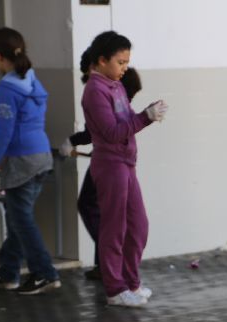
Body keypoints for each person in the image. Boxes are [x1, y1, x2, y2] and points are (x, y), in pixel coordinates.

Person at [82, 31, 167, 307]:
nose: (124, 68)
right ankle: (115, 288)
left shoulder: (116, 86)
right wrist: (145, 118)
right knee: (114, 227)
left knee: (138, 225)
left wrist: (148, 114)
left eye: (127, 62)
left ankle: (131, 282)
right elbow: (112, 132)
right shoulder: (94, 90)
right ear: (102, 60)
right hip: (110, 166)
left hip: (127, 164)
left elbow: (129, 120)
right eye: (120, 62)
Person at [0, 28, 60, 294]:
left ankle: (45, 273)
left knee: (21, 220)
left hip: (22, 160)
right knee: (18, 217)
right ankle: (8, 272)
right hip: (42, 157)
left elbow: (3, 133)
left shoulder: (6, 89)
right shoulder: (32, 81)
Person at [61, 66, 143, 280]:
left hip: (107, 163)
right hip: (113, 162)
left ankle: (108, 262)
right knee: (107, 215)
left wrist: (71, 141)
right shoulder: (109, 91)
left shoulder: (107, 92)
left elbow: (97, 132)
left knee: (97, 211)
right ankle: (109, 262)